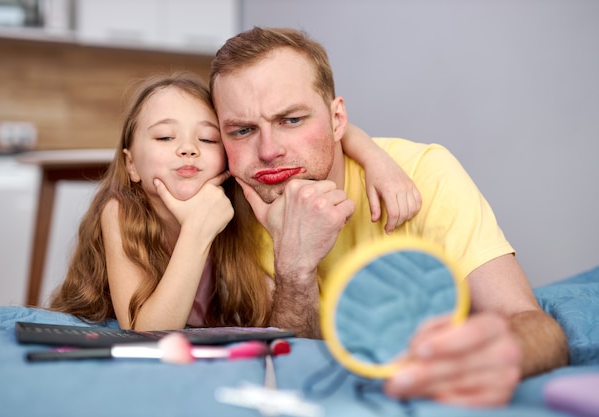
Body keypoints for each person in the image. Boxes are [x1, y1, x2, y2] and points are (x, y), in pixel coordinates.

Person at [209, 27, 569, 406]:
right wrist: (294, 269)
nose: (268, 151)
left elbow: (531, 323)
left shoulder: (425, 173)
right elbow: (295, 366)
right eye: (243, 130)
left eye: (292, 120)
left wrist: (494, 357)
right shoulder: (224, 210)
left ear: (337, 120)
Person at [49, 72, 421, 332]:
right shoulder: (122, 212)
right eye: (164, 137)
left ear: (228, 154)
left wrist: (376, 159)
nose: (187, 148)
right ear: (131, 164)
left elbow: (328, 126)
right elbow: (147, 332)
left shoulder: (242, 203)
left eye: (208, 140)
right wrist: (197, 228)